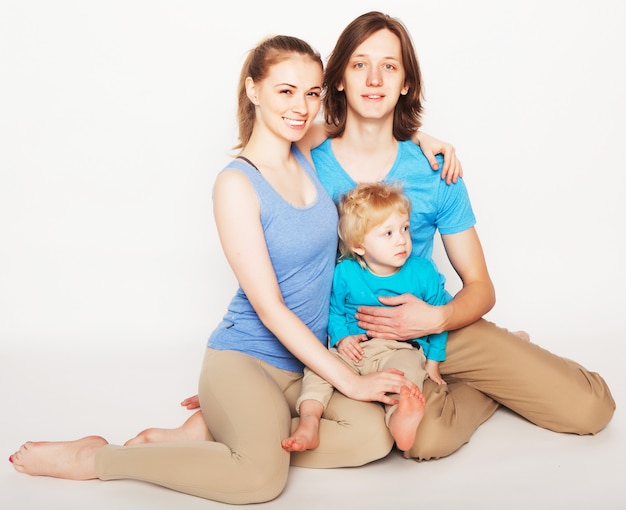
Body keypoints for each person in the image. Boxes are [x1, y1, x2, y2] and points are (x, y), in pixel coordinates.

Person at [178, 10, 616, 461]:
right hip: (358, 345)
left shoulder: (435, 172)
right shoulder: (306, 159)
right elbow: (282, 127)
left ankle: (501, 360)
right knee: (423, 441)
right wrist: (242, 395)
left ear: (405, 83)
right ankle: (481, 391)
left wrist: (435, 320)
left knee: (589, 410)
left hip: (438, 328)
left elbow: (482, 288)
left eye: (389, 66)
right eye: (359, 64)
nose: (373, 79)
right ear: (340, 80)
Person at [9, 35, 428, 504]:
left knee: (372, 439)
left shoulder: (306, 146)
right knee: (260, 479)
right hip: (248, 357)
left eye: (312, 93)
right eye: (285, 91)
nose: (302, 107)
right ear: (253, 90)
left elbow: (365, 123)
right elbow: (269, 309)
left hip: (310, 363)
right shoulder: (236, 185)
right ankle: (96, 458)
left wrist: (425, 138)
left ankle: (210, 431)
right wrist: (350, 380)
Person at [282, 181, 449, 454]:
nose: (402, 240)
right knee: (318, 369)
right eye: (388, 233)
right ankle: (309, 420)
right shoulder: (346, 272)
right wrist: (342, 337)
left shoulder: (423, 272)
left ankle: (400, 418)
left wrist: (433, 363)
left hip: (397, 349)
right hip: (353, 351)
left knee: (405, 373)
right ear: (359, 245)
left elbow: (438, 320)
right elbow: (335, 310)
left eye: (405, 228)